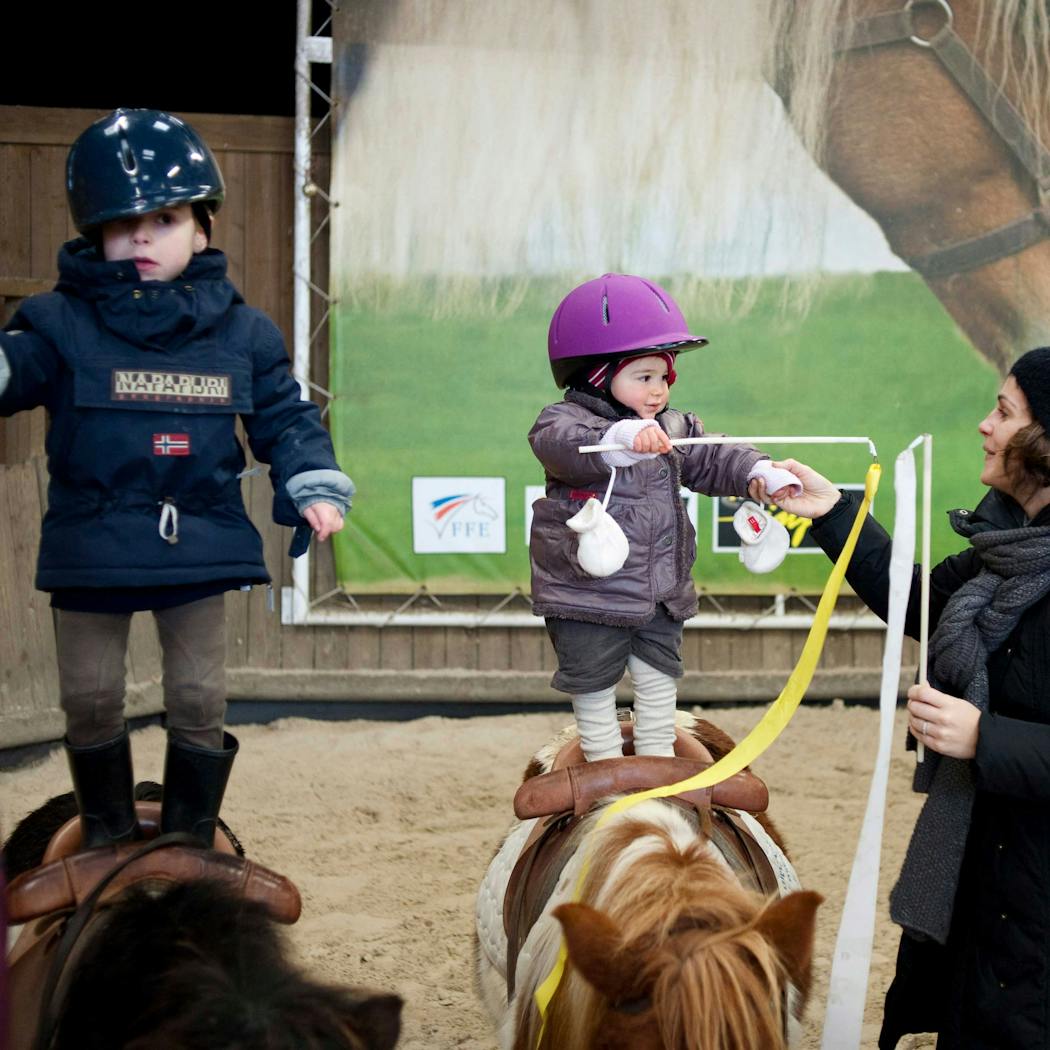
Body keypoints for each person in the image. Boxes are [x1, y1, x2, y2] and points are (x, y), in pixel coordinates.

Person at [0, 109, 353, 851]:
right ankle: (104, 835)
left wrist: (314, 482)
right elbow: (18, 367)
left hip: (195, 545)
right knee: (89, 698)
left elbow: (285, 420)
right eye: (122, 223)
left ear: (201, 229)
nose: (141, 237)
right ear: (93, 234)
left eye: (162, 218)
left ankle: (192, 843)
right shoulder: (59, 323)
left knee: (197, 696)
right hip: (92, 550)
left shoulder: (245, 333)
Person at [763, 347, 1050, 1049]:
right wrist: (835, 516)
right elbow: (921, 598)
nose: (985, 425)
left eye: (1004, 411)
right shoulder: (1003, 547)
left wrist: (986, 739)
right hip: (984, 878)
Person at [528, 273, 798, 761]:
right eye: (643, 377)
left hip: (659, 594)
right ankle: (603, 762)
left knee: (658, 679)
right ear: (597, 375)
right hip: (586, 596)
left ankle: (655, 758)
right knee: (592, 683)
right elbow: (563, 448)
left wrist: (759, 470)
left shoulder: (672, 425)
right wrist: (622, 440)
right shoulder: (561, 421)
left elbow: (712, 457)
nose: (658, 391)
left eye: (663, 377)